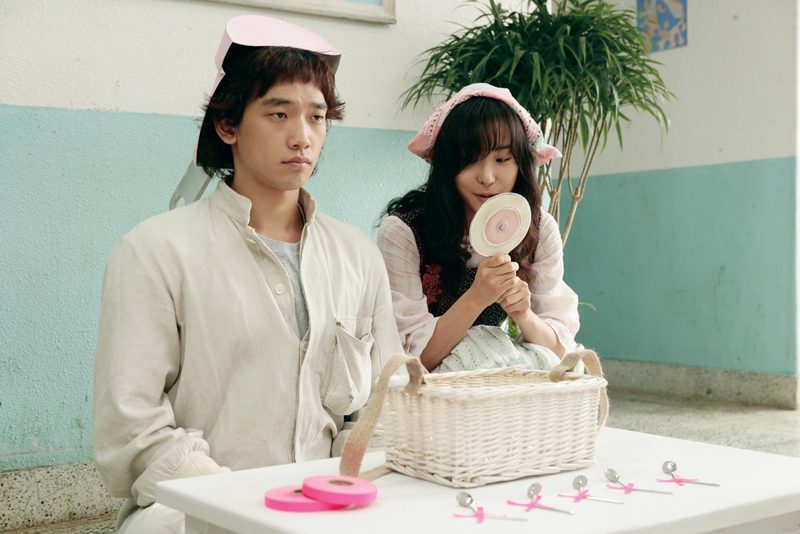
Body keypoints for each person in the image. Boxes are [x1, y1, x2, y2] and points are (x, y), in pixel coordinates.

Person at [93, 15, 402, 533]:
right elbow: (133, 429)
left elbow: (380, 408)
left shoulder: (357, 256)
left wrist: (344, 485)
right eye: (279, 113)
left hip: (330, 506)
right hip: (194, 509)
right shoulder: (154, 252)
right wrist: (240, 507)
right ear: (228, 125)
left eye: (317, 117)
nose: (302, 137)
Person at [378, 83, 579, 372]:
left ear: (521, 163)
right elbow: (407, 361)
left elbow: (560, 350)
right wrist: (476, 297)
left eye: (502, 159)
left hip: (492, 385)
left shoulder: (538, 228)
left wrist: (524, 315)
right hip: (430, 389)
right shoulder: (405, 231)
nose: (487, 177)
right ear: (447, 164)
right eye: (469, 160)